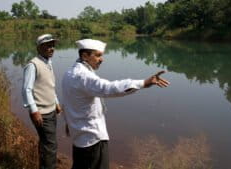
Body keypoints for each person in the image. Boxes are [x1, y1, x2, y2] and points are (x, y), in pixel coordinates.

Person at [62, 39, 170, 169]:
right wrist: (143, 83)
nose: (102, 59)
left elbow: (68, 102)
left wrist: (69, 122)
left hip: (79, 137)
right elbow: (109, 88)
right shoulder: (84, 76)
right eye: (98, 55)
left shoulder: (69, 73)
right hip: (92, 139)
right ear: (84, 56)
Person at [22, 34, 62, 169]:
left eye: (53, 45)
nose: (51, 48)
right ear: (39, 47)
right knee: (50, 145)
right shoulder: (33, 65)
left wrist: (56, 102)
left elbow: (49, 85)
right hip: (41, 113)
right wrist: (34, 111)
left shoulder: (48, 62)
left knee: (46, 143)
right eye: (48, 45)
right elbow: (27, 89)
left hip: (50, 110)